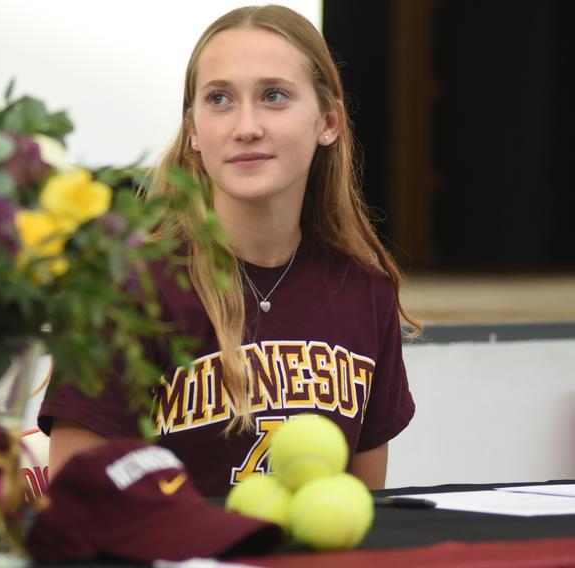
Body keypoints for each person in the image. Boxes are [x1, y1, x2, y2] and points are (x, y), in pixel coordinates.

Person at [38, 4, 417, 497]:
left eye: (274, 96)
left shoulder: (366, 289)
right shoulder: (126, 286)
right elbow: (76, 492)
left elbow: (364, 509)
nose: (246, 126)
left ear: (328, 121)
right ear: (193, 128)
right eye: (219, 99)